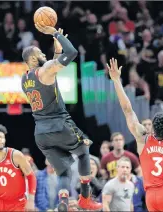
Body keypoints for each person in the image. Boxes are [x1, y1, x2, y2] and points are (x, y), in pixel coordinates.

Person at [21, 22, 102, 211]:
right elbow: (72, 53)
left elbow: (51, 71)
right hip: (59, 124)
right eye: (41, 54)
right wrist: (56, 34)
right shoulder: (45, 69)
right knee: (83, 151)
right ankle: (84, 197)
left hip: (41, 133)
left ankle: (63, 202)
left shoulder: (25, 78)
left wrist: (56, 53)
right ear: (33, 58)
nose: (43, 55)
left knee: (64, 171)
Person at [106, 58, 163, 211]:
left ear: (152, 128)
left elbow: (127, 109)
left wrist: (116, 80)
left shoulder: (143, 138)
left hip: (150, 198)